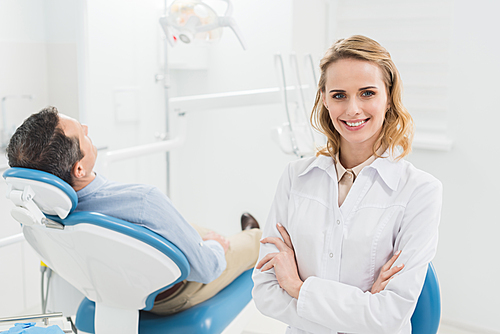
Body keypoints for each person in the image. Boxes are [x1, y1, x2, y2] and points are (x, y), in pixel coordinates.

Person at [252, 35, 442, 334]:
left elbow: (389, 316)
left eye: (367, 93)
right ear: (325, 99)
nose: (353, 109)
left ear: (388, 96)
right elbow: (264, 293)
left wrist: (296, 287)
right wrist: (361, 308)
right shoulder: (295, 177)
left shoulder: (421, 190)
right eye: (339, 95)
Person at [6, 107, 262, 315]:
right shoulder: (143, 201)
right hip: (171, 294)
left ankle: (203, 239)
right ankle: (252, 234)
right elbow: (206, 270)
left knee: (194, 230)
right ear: (79, 169)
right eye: (81, 134)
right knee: (247, 242)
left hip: (116, 282)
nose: (86, 129)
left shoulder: (42, 215)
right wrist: (216, 247)